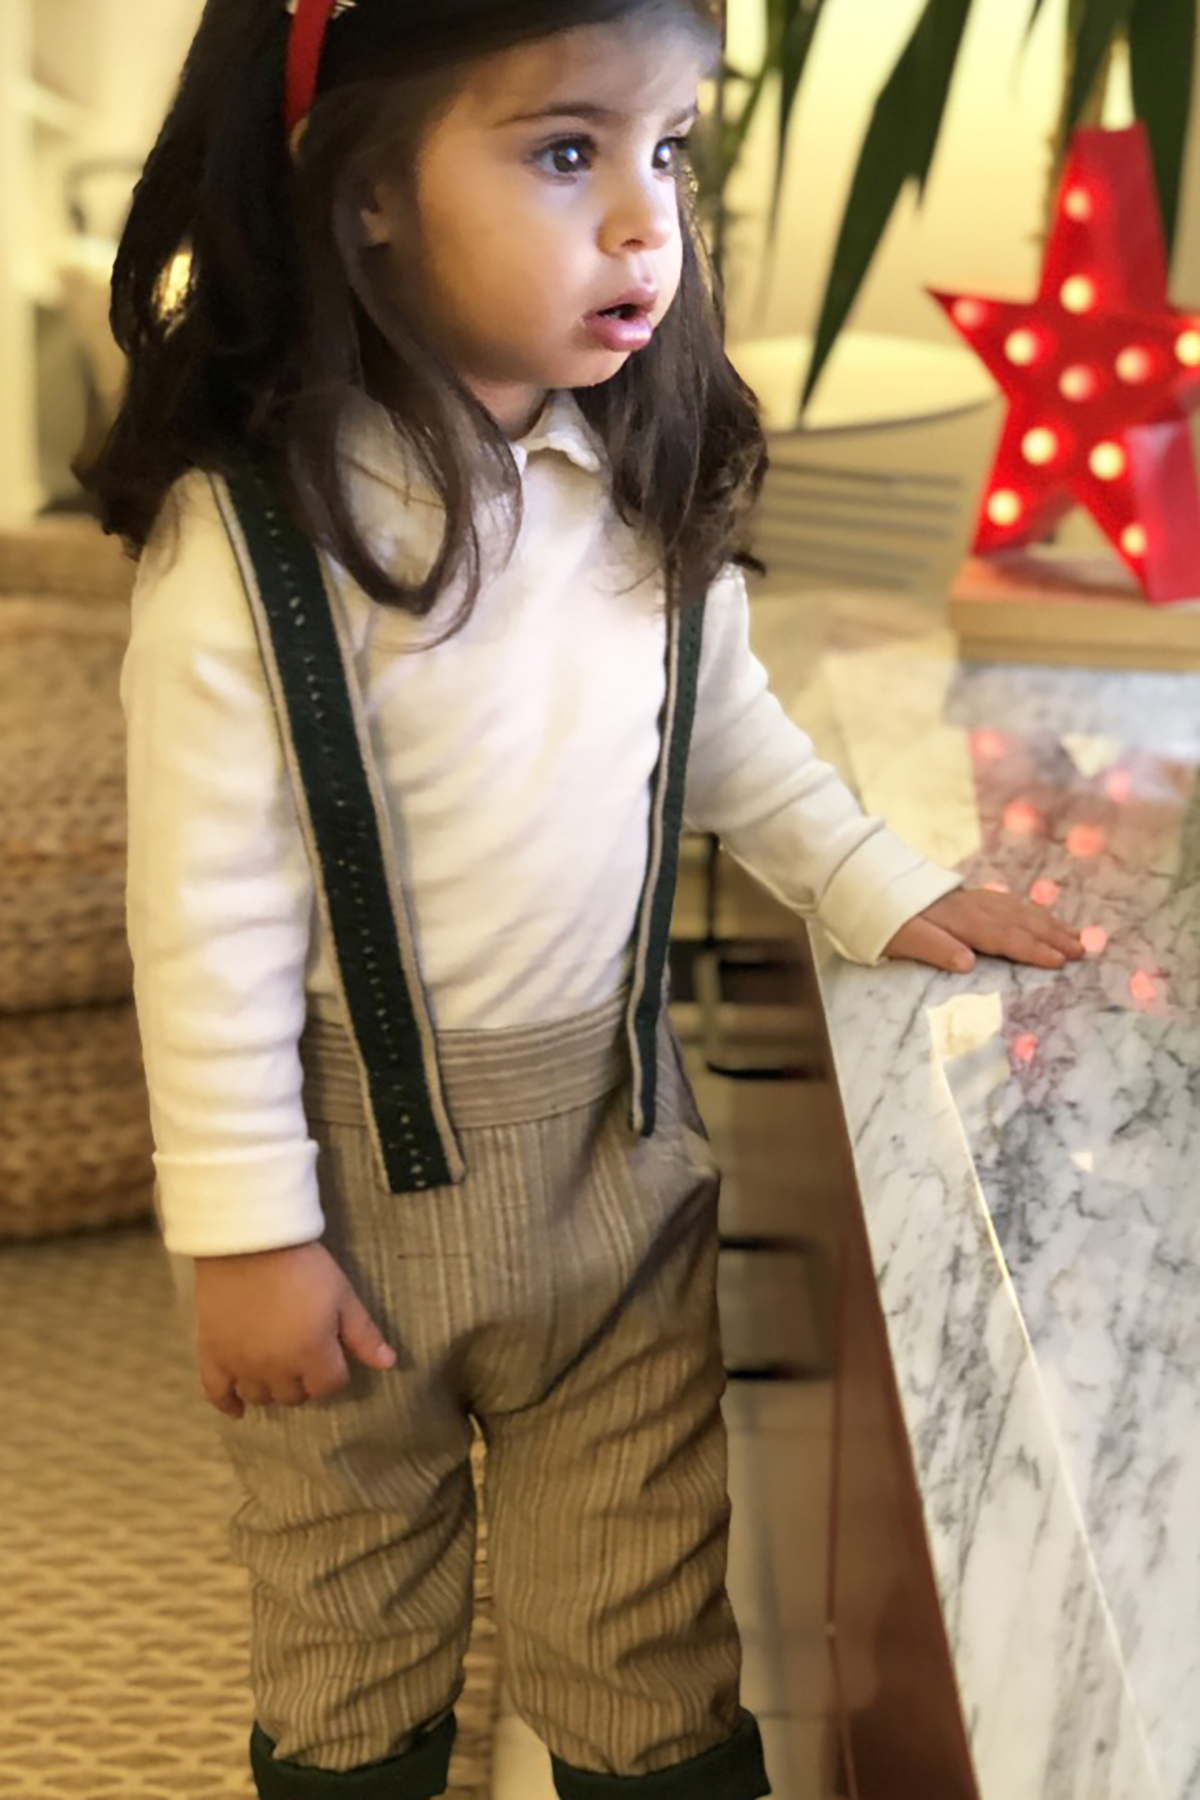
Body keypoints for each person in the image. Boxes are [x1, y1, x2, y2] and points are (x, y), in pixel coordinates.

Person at [85, 2, 1085, 1796]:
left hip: (619, 1161)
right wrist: (243, 1236)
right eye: (566, 151)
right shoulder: (245, 554)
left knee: (648, 1637)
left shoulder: (637, 476)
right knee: (348, 1632)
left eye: (669, 149)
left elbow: (725, 737)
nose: (646, 221)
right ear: (368, 191)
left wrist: (881, 886)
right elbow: (205, 916)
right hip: (346, 1189)